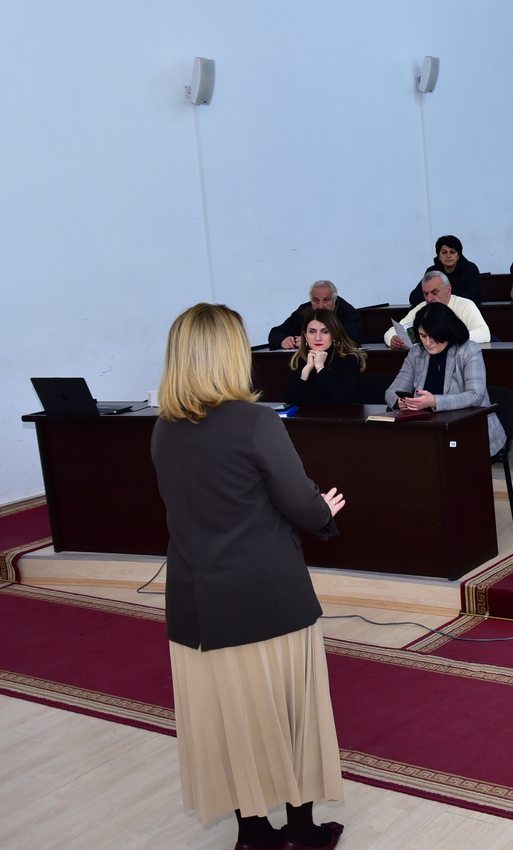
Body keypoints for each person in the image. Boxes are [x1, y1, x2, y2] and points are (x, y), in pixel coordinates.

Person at [151, 303, 346, 850]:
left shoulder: (164, 427)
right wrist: (323, 510)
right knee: (290, 713)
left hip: (197, 601)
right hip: (265, 595)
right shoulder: (256, 421)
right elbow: (300, 503)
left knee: (230, 722)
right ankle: (302, 830)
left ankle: (253, 833)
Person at [386, 302, 506, 456]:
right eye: (423, 336)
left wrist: (434, 401)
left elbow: (475, 395)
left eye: (433, 337)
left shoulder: (468, 349)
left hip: (470, 429)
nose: (428, 343)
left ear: (447, 331)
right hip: (428, 430)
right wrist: (400, 402)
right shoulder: (416, 352)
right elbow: (392, 391)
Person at [283, 309, 368, 405]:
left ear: (334, 335)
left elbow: (340, 398)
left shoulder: (349, 359)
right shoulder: (302, 359)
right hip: (312, 414)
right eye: (312, 332)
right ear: (305, 336)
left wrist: (320, 368)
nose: (318, 338)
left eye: (325, 332)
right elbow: (289, 400)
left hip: (345, 413)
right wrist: (306, 371)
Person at [385, 270, 491, 346]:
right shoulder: (422, 308)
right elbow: (394, 330)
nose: (429, 298)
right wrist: (392, 339)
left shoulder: (465, 305)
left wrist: (449, 338)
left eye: (434, 292)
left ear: (448, 289)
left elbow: (484, 333)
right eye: (426, 294)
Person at [267, 280, 364, 350]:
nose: (320, 306)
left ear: (334, 299)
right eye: (316, 300)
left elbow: (352, 339)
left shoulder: (347, 312)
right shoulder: (303, 311)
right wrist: (282, 340)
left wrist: (310, 341)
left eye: (326, 300)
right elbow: (276, 332)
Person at [409, 235, 482, 305]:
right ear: (439, 255)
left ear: (458, 255)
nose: (448, 256)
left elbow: (473, 295)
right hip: (438, 310)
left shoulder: (470, 269)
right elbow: (414, 297)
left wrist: (441, 297)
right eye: (444, 252)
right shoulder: (432, 271)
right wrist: (439, 298)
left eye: (452, 252)